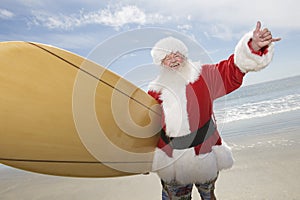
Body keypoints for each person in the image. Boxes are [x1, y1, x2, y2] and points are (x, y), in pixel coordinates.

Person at [148, 21, 281, 200]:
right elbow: (147, 127)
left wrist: (253, 47)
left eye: (176, 54)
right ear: (161, 63)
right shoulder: (154, 91)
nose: (172, 59)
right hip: (172, 164)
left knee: (208, 196)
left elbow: (230, 70)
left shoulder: (204, 75)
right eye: (166, 57)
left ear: (184, 57)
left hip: (205, 156)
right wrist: (141, 159)